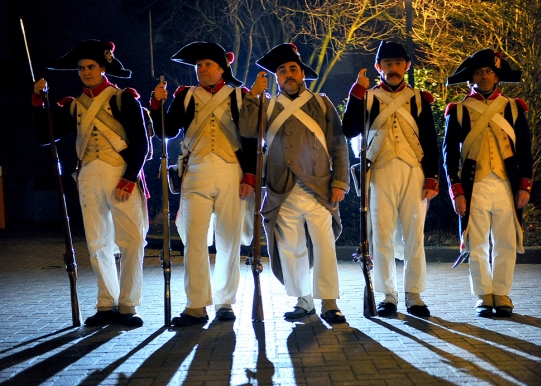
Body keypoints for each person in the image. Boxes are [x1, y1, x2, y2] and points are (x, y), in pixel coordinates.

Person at [32, 40, 149, 327]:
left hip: (121, 175)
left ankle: (128, 305)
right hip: (88, 177)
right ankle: (106, 303)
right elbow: (44, 135)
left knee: (132, 242)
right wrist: (38, 101)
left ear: (103, 68)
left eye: (91, 67)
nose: (85, 72)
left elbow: (142, 145)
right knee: (98, 243)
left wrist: (128, 178)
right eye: (81, 68)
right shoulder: (74, 106)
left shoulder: (123, 99)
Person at [239, 43, 350, 324]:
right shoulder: (267, 104)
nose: (288, 74)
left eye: (292, 69)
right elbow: (248, 130)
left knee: (324, 245)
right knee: (292, 247)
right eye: (282, 71)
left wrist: (340, 181)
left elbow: (338, 144)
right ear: (277, 77)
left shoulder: (322, 103)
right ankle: (304, 301)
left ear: (302, 73)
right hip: (281, 188)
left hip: (319, 187)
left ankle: (330, 302)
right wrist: (253, 95)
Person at [150, 42, 256, 325]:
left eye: (208, 64)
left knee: (228, 241)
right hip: (194, 171)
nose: (202, 69)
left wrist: (250, 175)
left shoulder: (238, 95)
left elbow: (250, 138)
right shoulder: (185, 95)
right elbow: (166, 131)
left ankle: (225, 302)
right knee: (193, 241)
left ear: (222, 68)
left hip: (230, 171)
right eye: (198, 65)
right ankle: (195, 305)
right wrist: (157, 103)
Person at [342, 41, 440, 318]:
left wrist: (432, 176)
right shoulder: (369, 97)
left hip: (414, 172)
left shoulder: (419, 99)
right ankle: (388, 296)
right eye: (387, 64)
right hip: (380, 172)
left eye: (398, 63)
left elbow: (431, 142)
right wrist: (357, 92)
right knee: (381, 235)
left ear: (406, 67)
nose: (393, 68)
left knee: (414, 236)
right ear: (379, 68)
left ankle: (414, 295)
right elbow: (349, 130)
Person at [443, 49, 533, 317]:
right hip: (475, 185)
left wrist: (525, 185)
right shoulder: (458, 110)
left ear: (497, 77)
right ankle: (484, 295)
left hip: (507, 184)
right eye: (479, 72)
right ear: (472, 78)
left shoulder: (513, 107)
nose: (484, 76)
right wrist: (456, 191)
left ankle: (502, 293)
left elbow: (525, 150)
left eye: (489, 72)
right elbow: (449, 155)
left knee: (506, 240)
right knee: (477, 242)